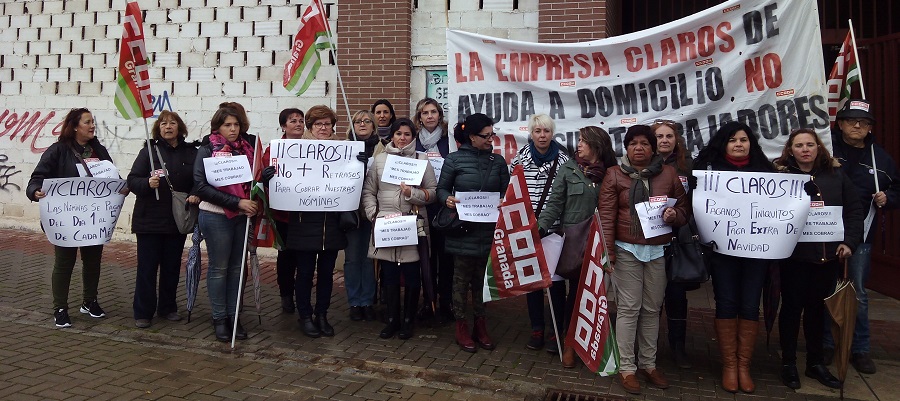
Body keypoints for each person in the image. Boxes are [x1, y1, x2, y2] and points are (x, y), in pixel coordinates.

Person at [599, 125, 688, 395]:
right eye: (633, 143)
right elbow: (605, 217)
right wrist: (608, 254)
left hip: (657, 251)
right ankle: (627, 368)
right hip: (626, 250)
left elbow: (684, 209)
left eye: (645, 143)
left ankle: (648, 364)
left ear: (653, 148)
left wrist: (675, 215)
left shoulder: (669, 173)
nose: (639, 148)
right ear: (626, 148)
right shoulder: (614, 175)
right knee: (629, 308)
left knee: (651, 308)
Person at [773, 128, 863, 390]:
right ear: (790, 150)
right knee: (791, 310)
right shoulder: (782, 177)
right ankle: (788, 364)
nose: (805, 149)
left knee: (816, 313)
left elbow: (854, 210)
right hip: (794, 259)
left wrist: (850, 242)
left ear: (818, 147)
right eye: (799, 145)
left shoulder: (836, 176)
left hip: (827, 259)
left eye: (809, 144)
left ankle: (814, 364)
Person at [693, 121, 775, 394]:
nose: (739, 144)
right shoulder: (708, 170)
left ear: (751, 143)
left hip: (757, 252)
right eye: (733, 140)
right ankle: (729, 365)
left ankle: (744, 365)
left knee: (751, 305)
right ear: (723, 143)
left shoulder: (767, 172)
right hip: (723, 252)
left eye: (743, 139)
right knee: (727, 302)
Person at [824, 99, 899, 374]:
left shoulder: (881, 159)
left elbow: (897, 191)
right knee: (825, 289)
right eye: (852, 120)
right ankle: (826, 344)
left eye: (864, 122)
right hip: (823, 233)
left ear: (870, 129)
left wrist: (887, 197)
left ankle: (860, 349)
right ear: (840, 123)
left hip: (861, 237)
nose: (857, 126)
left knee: (858, 294)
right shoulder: (824, 149)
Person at [27, 108, 119, 328]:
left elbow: (112, 176)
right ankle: (60, 308)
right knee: (64, 263)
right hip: (66, 219)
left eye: (93, 122)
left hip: (94, 218)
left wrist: (120, 187)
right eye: (87, 122)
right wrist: (35, 191)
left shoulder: (99, 150)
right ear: (75, 126)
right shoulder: (58, 150)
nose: (92, 126)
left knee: (93, 262)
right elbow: (37, 177)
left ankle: (90, 302)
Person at [537, 125, 615, 361]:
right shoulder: (568, 169)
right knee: (574, 294)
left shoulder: (613, 172)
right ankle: (570, 343)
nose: (578, 145)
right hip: (573, 241)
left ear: (596, 145)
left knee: (594, 294)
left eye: (583, 141)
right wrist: (539, 228)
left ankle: (593, 341)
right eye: (578, 140)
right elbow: (554, 204)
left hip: (601, 242)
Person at [437, 113, 510, 352]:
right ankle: (461, 327)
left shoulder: (497, 162)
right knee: (460, 281)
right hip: (463, 230)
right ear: (471, 137)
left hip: (488, 230)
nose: (491, 139)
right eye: (485, 135)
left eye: (492, 135)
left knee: (482, 282)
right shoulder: (454, 160)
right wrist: (446, 199)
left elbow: (506, 193)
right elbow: (442, 189)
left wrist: (503, 201)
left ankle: (481, 325)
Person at [362, 117, 437, 339]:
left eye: (407, 134)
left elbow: (432, 192)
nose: (402, 138)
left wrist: (411, 194)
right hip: (386, 225)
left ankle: (408, 321)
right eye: (398, 134)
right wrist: (373, 214)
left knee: (413, 276)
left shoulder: (422, 160)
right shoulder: (379, 160)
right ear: (391, 136)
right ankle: (392, 319)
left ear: (413, 137)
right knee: (389, 275)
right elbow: (369, 191)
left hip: (413, 226)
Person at [285, 105, 355, 338]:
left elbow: (351, 182)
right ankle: (304, 315)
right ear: (310, 127)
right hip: (305, 222)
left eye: (327, 124)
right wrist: (272, 175)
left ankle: (322, 314)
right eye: (318, 124)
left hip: (332, 224)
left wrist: (359, 162)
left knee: (326, 274)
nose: (323, 128)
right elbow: (285, 180)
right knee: (304, 272)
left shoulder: (342, 150)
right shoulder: (296, 150)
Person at [127, 110, 199, 329]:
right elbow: (132, 180)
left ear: (180, 127)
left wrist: (196, 193)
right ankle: (143, 312)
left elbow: (200, 179)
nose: (168, 127)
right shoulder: (149, 152)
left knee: (171, 267)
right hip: (149, 220)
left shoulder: (191, 153)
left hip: (177, 220)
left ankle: (168, 307)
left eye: (173, 123)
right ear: (158, 128)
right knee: (147, 268)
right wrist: (146, 184)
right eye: (164, 123)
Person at [194, 106, 258, 342]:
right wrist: (237, 202)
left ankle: (235, 316)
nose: (233, 129)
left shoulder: (248, 149)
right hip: (216, 215)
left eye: (236, 125)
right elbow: (201, 186)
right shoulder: (207, 149)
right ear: (217, 127)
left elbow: (254, 180)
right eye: (227, 125)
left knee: (237, 270)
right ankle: (219, 318)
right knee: (219, 269)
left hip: (242, 217)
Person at [509, 114, 569, 351]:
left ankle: (556, 332)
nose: (542, 135)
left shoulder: (564, 161)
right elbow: (512, 190)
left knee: (554, 285)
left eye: (546, 131)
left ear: (552, 134)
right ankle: (537, 329)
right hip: (527, 230)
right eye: (537, 131)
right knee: (532, 283)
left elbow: (564, 198)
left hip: (553, 232)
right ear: (531, 134)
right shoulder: (520, 159)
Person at [652, 120, 697, 369]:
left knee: (677, 295)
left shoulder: (688, 166)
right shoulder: (645, 165)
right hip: (652, 240)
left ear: (676, 140)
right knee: (652, 296)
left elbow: (696, 201)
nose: (665, 140)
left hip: (679, 239)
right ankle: (650, 348)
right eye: (659, 136)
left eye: (669, 136)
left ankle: (678, 348)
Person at [413, 98, 454, 323]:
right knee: (426, 257)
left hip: (444, 207)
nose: (429, 116)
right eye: (424, 113)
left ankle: (446, 301)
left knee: (445, 257)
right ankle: (428, 301)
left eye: (433, 112)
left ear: (440, 115)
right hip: (421, 206)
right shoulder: (413, 142)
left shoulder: (449, 142)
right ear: (419, 117)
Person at [343, 110, 384, 321]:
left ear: (373, 126)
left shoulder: (382, 148)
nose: (362, 124)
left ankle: (367, 300)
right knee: (352, 259)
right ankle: (354, 301)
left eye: (367, 121)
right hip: (350, 212)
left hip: (373, 211)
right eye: (357, 121)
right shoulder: (343, 148)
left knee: (369, 259)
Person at [264, 108, 305, 314]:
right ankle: (286, 295)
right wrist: (266, 175)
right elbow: (263, 174)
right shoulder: (274, 149)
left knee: (304, 257)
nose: (298, 124)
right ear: (283, 126)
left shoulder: (313, 147)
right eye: (293, 121)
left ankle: (302, 294)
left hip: (306, 213)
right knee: (286, 256)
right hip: (284, 215)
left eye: (300, 120)